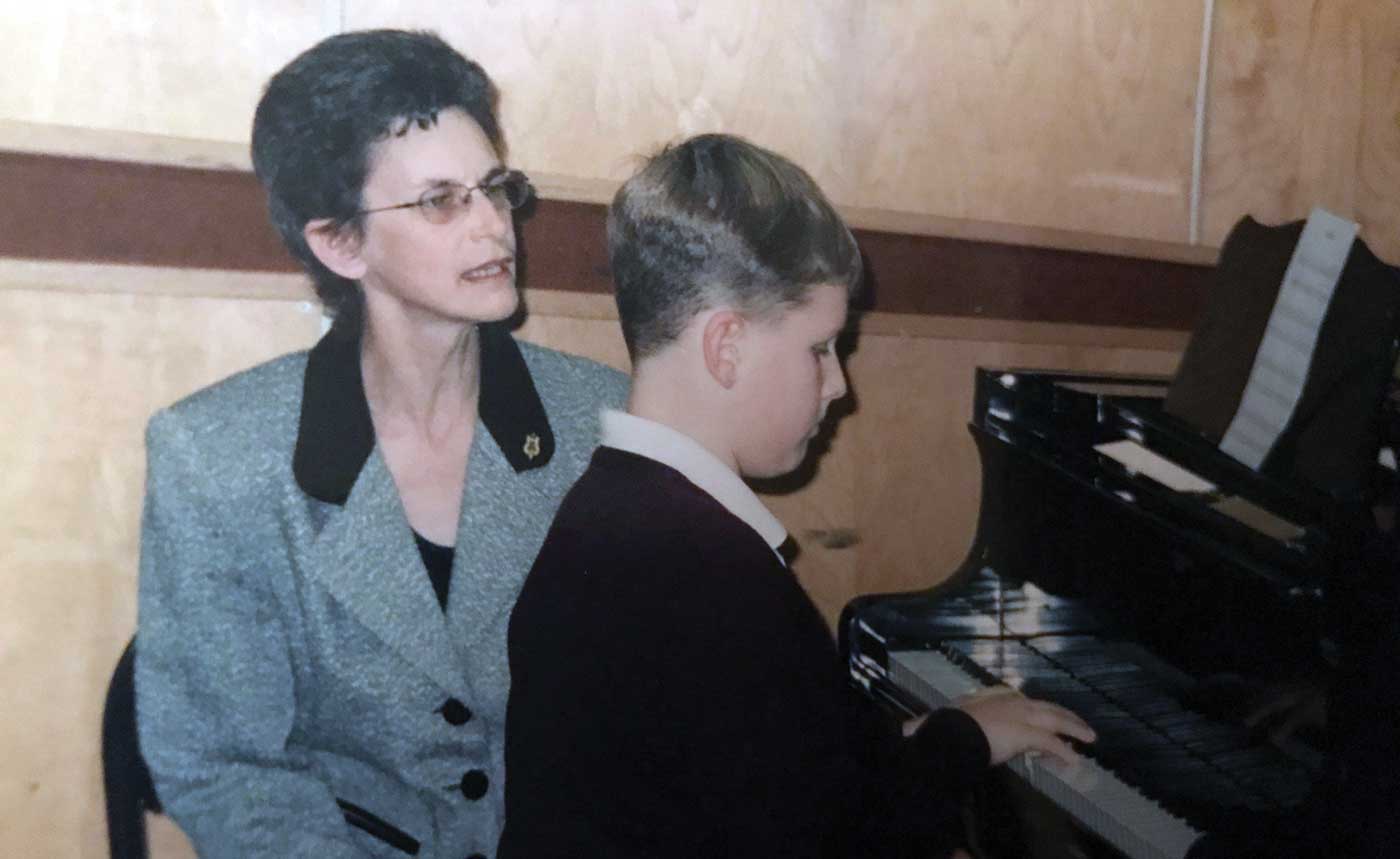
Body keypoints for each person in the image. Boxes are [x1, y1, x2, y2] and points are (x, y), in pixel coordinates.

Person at [499, 133, 1094, 858]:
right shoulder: (711, 572)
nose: (840, 383)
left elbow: (791, 767)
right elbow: (832, 830)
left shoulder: (608, 513)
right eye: (820, 347)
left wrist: (943, 736)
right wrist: (958, 758)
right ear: (727, 347)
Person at [134, 29, 627, 858]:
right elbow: (224, 767)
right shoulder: (213, 457)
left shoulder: (603, 421)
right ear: (339, 241)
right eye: (441, 200)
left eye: (496, 189)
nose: (494, 227)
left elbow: (651, 712)